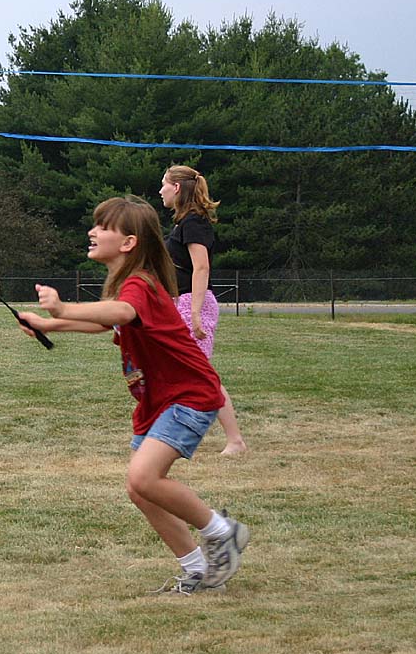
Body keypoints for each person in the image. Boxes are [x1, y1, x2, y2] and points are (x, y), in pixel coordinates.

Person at [18, 196, 249, 595]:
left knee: (144, 477)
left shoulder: (139, 283)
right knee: (140, 489)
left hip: (189, 395)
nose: (92, 232)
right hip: (160, 401)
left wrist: (64, 308)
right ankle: (197, 569)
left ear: (128, 242)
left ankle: (221, 532)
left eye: (102, 226)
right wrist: (49, 324)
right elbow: (115, 325)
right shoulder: (129, 285)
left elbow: (122, 314)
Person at [160, 165, 248, 456]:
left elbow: (201, 266)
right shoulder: (182, 223)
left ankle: (235, 440)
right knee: (180, 374)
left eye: (163, 184)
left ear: (176, 188)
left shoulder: (194, 222)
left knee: (202, 375)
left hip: (192, 305)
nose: (160, 191)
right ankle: (167, 434)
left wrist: (195, 313)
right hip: (180, 304)